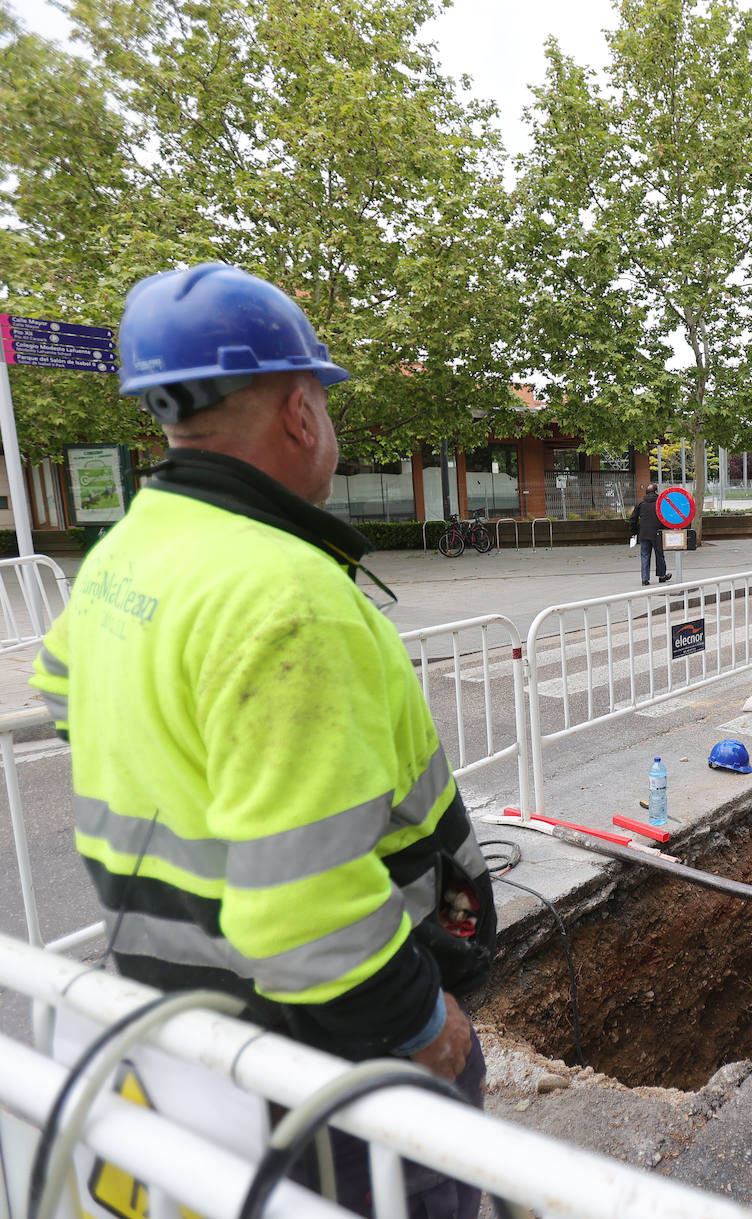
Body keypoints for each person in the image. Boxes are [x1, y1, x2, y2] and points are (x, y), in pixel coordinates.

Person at [30, 264, 494, 1217]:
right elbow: (301, 912)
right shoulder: (286, 598)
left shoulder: (124, 551)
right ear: (297, 410)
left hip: (182, 1012)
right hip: (324, 1050)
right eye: (322, 396)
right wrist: (424, 1026)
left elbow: (65, 696)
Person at [628, 481, 670, 585]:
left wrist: (634, 532)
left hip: (644, 534)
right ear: (656, 491)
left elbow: (633, 519)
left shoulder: (640, 503)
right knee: (659, 554)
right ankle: (661, 576)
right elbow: (666, 517)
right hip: (658, 533)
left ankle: (645, 579)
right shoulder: (660, 502)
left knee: (645, 555)